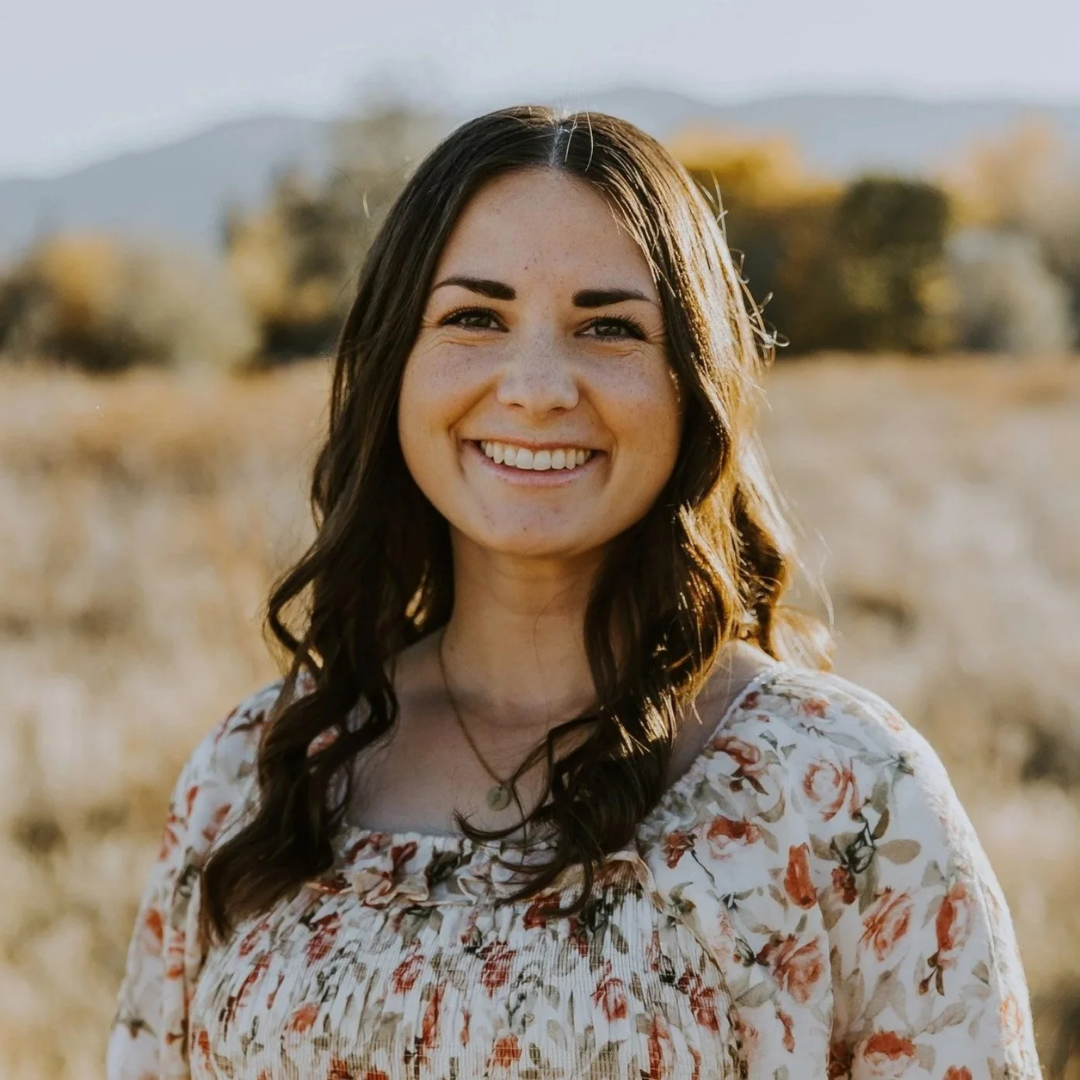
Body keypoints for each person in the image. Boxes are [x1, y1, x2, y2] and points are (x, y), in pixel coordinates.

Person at [106, 105, 1043, 1080]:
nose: (539, 385)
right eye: (476, 317)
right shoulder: (258, 772)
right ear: (395, 367)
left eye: (608, 327)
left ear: (692, 382)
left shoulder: (839, 792)